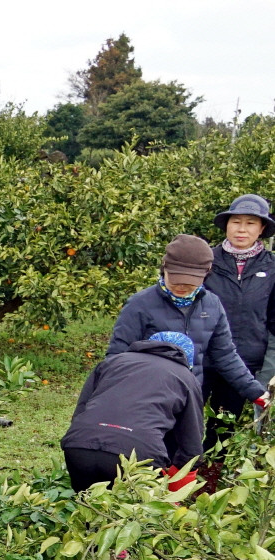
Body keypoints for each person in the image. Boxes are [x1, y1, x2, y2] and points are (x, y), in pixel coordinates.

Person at [107, 234, 269, 416]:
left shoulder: (212, 304)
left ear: (206, 274)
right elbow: (117, 356)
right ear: (164, 268)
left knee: (187, 444)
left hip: (190, 398)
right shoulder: (140, 304)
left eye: (191, 281)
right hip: (146, 399)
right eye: (175, 279)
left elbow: (225, 355)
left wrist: (256, 393)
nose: (182, 287)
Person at [60, 332, 204, 492]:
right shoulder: (187, 378)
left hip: (79, 447)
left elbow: (81, 410)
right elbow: (191, 445)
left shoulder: (112, 362)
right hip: (136, 458)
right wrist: (175, 495)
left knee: (86, 507)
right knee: (132, 513)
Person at [205, 195, 275, 417]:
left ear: (262, 228)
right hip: (200, 357)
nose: (241, 229)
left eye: (250, 223)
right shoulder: (205, 260)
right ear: (226, 225)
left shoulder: (272, 267)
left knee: (223, 425)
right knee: (184, 422)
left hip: (242, 362)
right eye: (236, 221)